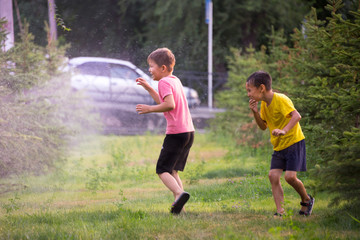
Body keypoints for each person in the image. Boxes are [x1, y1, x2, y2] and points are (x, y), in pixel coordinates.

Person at [246, 70, 314, 217]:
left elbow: (296, 116)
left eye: (249, 90)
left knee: (290, 177)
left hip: (293, 142)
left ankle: (307, 200)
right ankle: (280, 211)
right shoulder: (264, 104)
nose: (248, 94)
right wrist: (255, 112)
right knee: (273, 176)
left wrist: (284, 130)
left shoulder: (281, 99)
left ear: (261, 88)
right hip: (279, 146)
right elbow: (263, 126)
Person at [135, 48, 195, 215]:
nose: (149, 69)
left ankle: (179, 194)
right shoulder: (175, 80)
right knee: (173, 170)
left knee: (162, 169)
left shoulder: (164, 82)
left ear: (162, 68)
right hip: (188, 132)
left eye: (151, 66)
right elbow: (165, 101)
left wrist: (149, 109)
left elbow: (169, 105)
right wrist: (149, 88)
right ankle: (180, 208)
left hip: (176, 133)